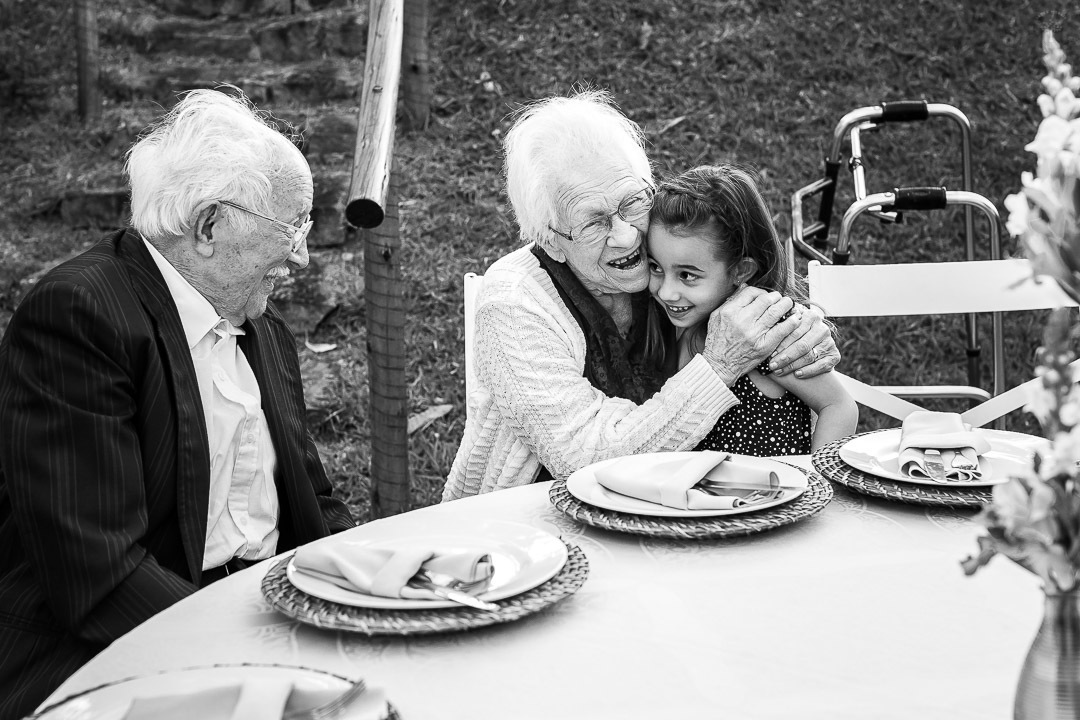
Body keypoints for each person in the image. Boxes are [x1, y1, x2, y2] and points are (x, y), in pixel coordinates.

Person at [0, 89, 356, 718]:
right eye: (292, 226)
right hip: (114, 649)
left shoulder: (258, 322)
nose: (302, 254)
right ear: (211, 225)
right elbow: (98, 571)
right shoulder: (82, 315)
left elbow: (312, 496)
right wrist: (251, 652)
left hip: (263, 614)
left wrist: (374, 596)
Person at [441, 90, 841, 501]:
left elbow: (730, 270)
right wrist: (717, 366)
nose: (627, 235)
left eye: (632, 202)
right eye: (594, 223)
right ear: (551, 241)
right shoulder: (514, 304)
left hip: (676, 513)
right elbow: (586, 462)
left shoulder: (666, 259)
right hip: (530, 521)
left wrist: (791, 325)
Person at [644, 164, 858, 454]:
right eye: (656, 267)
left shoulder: (761, 329)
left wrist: (816, 481)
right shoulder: (674, 321)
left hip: (776, 492)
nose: (666, 291)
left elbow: (839, 406)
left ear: (740, 271)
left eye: (687, 275)